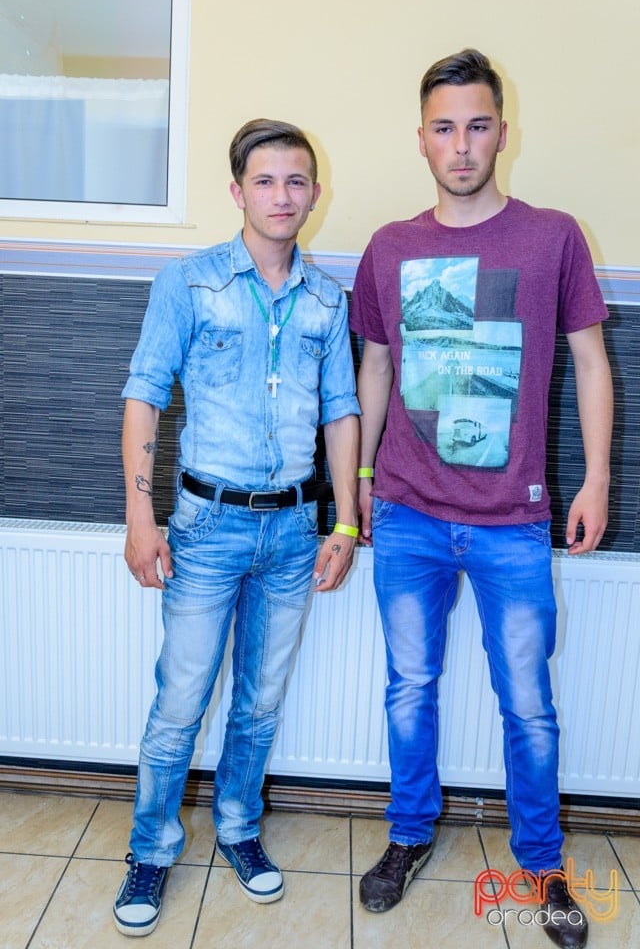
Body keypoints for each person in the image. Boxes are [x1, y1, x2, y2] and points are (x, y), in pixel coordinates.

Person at [350, 50, 612, 949]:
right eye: (444, 127)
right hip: (409, 513)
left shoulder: (554, 237)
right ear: (421, 139)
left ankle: (542, 865)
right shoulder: (389, 247)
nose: (461, 145)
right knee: (409, 689)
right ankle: (409, 835)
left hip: (515, 521)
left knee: (528, 705)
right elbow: (375, 368)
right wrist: (360, 484)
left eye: (477, 125)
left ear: (504, 131)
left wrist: (597, 478)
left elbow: (590, 362)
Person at [113, 118, 360, 937]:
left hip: (293, 533)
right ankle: (152, 847)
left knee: (259, 703)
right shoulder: (188, 283)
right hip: (206, 527)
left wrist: (344, 522)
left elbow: (342, 411)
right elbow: (144, 394)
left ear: (314, 194)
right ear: (237, 191)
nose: (281, 195)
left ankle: (239, 827)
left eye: (296, 181)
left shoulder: (327, 301)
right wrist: (140, 517)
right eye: (265, 180)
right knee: (181, 702)